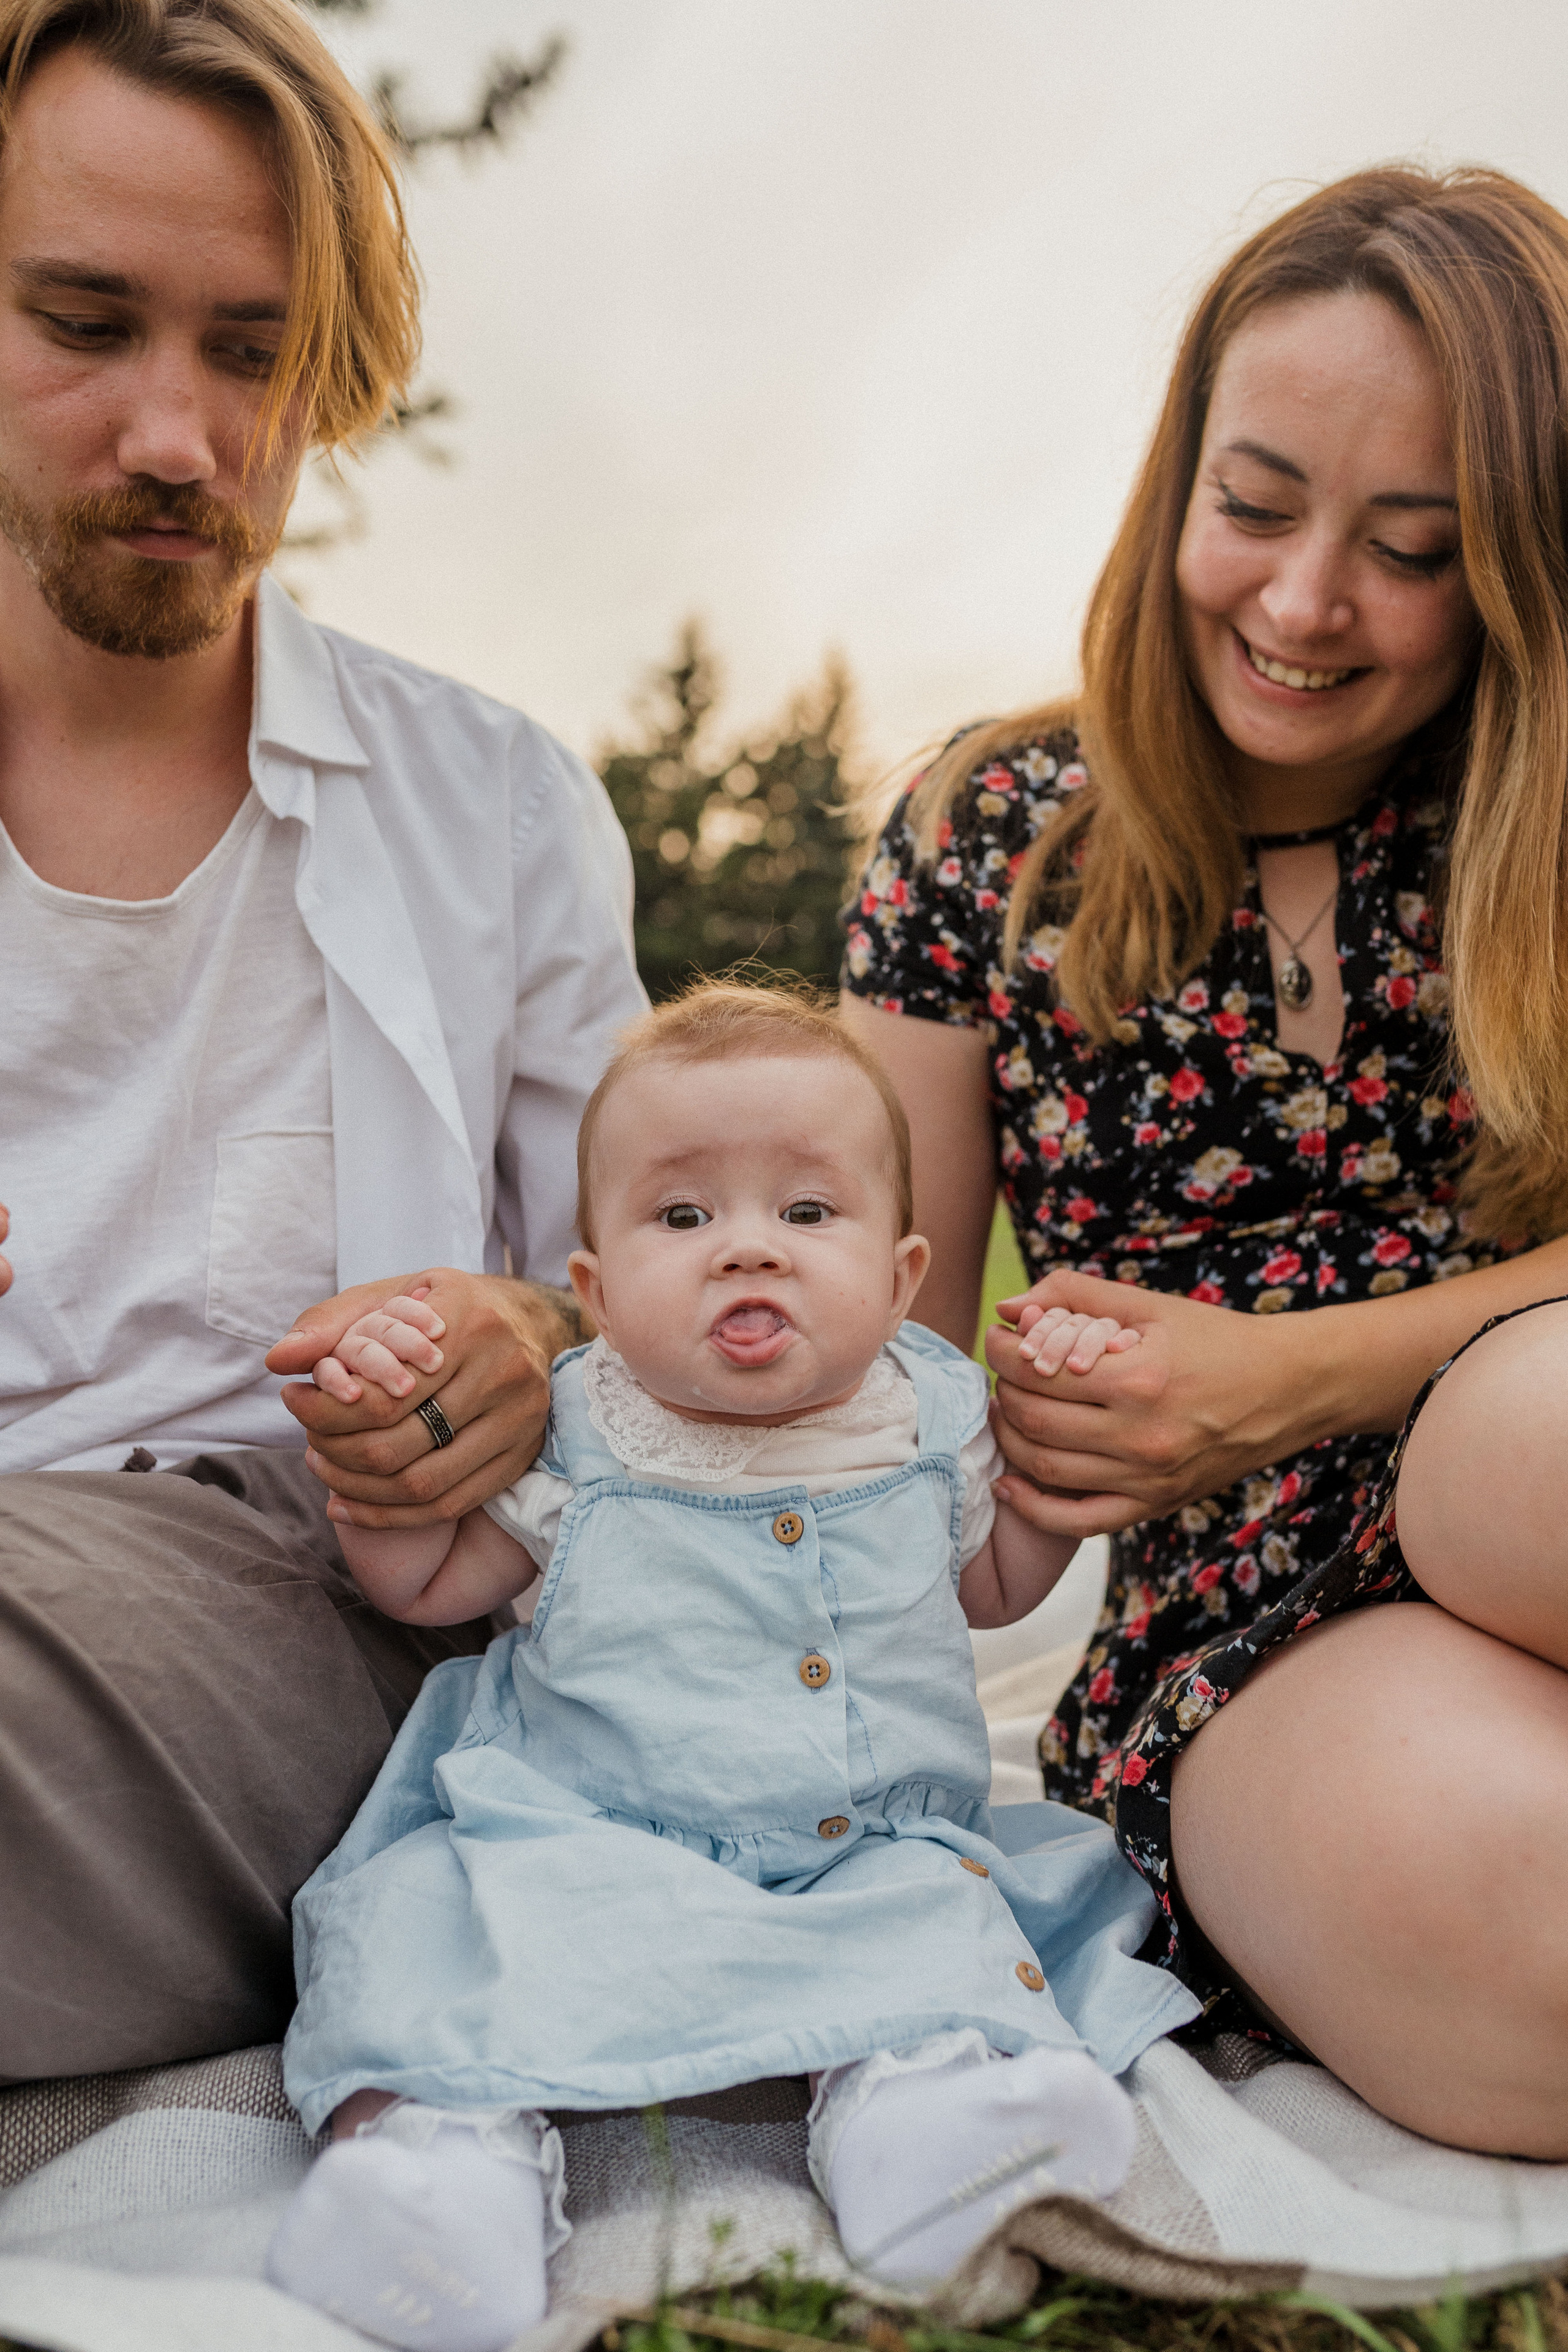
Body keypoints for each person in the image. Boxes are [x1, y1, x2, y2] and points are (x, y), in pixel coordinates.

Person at [841, 164, 1568, 2161]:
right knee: (1537, 1972)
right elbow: (860, 1339)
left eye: (1411, 547)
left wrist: (1291, 1375)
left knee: (1539, 1435)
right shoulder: (992, 838)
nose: (1306, 600)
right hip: (1254, 1628)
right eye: (1255, 506)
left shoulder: (1544, 821)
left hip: (1515, 1431)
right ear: (1176, 481)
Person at [0, 0, 643, 2083]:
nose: (180, 437)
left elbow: (657, 1315)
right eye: (84, 323)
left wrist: (520, 1344)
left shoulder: (492, 807)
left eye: (255, 351)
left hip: (311, 1602)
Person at [259, 983, 1194, 2351]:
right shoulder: (580, 1434)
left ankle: (926, 2129)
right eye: (682, 1217)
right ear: (591, 1289)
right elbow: (427, 1583)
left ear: (898, 1274)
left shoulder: (932, 1418)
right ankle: (437, 2177)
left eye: (806, 1214)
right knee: (451, 1943)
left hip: (861, 1843)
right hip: (589, 1830)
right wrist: (376, 1478)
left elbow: (990, 1590)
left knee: (936, 1938)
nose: (745, 1250)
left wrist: (1053, 1481)